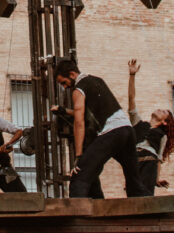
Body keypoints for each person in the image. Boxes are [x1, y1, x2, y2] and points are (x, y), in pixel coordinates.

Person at [53, 57, 143, 198]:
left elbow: (79, 121)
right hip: (127, 130)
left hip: (112, 132)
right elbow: (95, 112)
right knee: (134, 181)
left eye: (63, 83)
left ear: (71, 74)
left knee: (79, 176)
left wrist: (79, 155)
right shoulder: (97, 80)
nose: (64, 87)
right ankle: (143, 213)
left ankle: (78, 217)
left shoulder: (78, 89)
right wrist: (62, 110)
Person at [126, 59, 174, 197]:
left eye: (164, 112)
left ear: (165, 122)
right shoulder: (139, 123)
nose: (160, 109)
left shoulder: (162, 135)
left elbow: (159, 157)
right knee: (132, 195)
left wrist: (157, 178)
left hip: (149, 162)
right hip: (134, 160)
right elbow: (131, 100)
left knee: (146, 195)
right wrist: (132, 76)